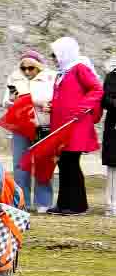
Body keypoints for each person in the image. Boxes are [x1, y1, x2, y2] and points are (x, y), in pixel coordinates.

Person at [44, 34, 97, 217]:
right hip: (62, 125)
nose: (53, 58)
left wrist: (82, 107)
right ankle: (64, 204)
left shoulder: (79, 68)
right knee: (64, 163)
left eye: (55, 54)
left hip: (76, 125)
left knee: (70, 163)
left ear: (64, 53)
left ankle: (77, 206)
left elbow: (96, 88)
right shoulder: (64, 71)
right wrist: (53, 105)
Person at [2, 50, 54, 215]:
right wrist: (14, 101)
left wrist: (32, 100)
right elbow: (6, 100)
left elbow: (52, 98)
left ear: (38, 67)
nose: (26, 71)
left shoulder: (50, 77)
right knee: (19, 165)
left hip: (43, 125)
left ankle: (43, 202)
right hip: (20, 125)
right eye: (23, 68)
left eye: (30, 68)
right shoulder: (14, 78)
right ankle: (21, 201)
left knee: (42, 164)